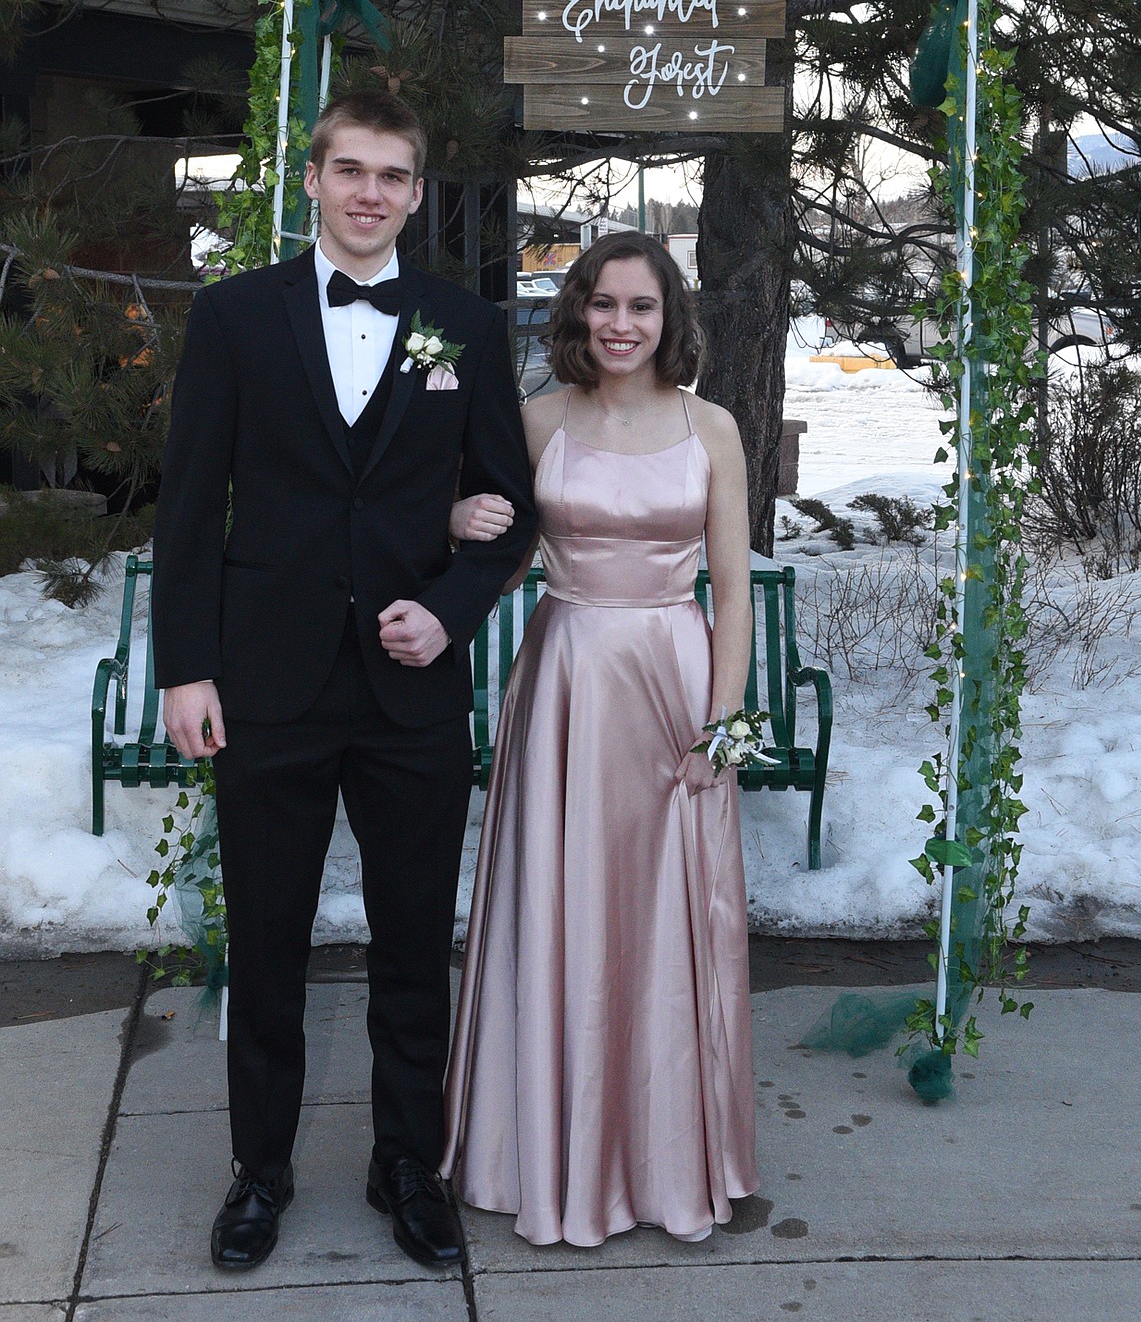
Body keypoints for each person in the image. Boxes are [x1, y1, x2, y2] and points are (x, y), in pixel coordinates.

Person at [152, 90, 536, 1274]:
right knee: (266, 941)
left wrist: (456, 604)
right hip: (266, 682)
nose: (371, 191)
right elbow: (187, 510)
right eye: (351, 169)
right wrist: (186, 670)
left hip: (409, 696)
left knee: (414, 938)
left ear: (418, 195)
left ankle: (405, 1164)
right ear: (311, 179)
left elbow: (510, 514)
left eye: (394, 175)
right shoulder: (232, 319)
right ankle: (258, 1171)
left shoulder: (462, 324)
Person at [441, 232, 759, 1247]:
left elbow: (736, 588)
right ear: (578, 312)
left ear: (672, 320)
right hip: (568, 680)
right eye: (604, 304)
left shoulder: (712, 428)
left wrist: (728, 725)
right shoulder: (538, 422)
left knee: (664, 919)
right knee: (562, 908)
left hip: (674, 679)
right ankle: (544, 1150)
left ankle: (666, 1158)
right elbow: (473, 537)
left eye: (643, 307)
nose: (622, 324)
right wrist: (455, 513)